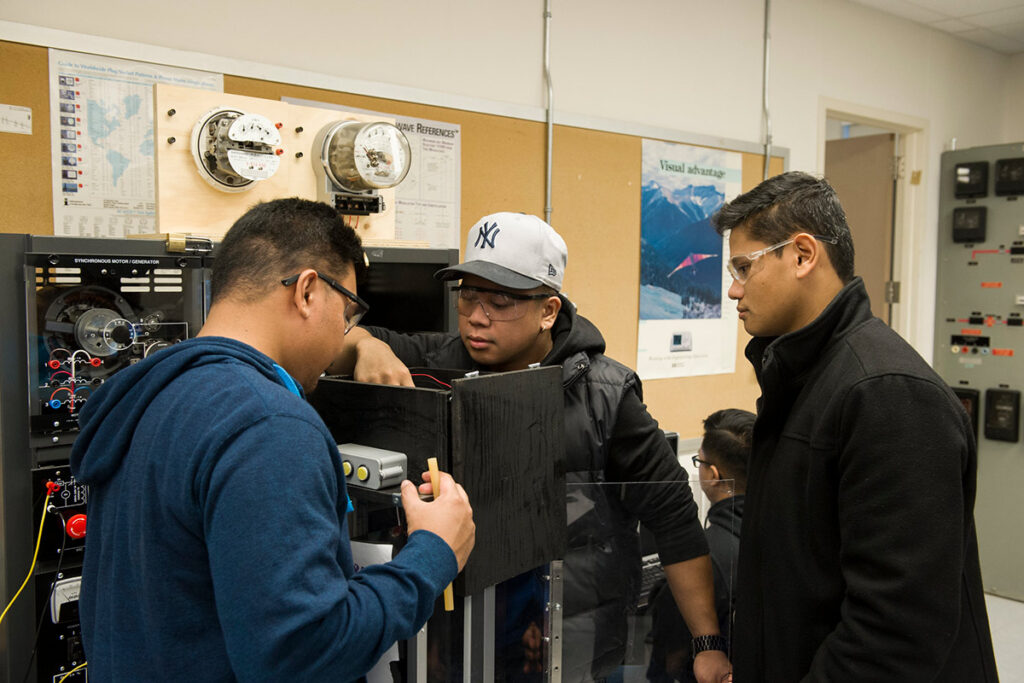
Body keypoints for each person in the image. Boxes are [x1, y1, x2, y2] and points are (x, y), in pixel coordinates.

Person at [69, 198, 476, 682]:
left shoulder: (154, 395)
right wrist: (431, 554)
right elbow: (303, 655)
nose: (341, 336)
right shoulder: (269, 426)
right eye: (346, 312)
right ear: (307, 291)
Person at [333, 212, 731, 683]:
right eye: (469, 296)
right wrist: (364, 344)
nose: (478, 316)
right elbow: (332, 337)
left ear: (549, 310)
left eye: (502, 300)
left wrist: (706, 643)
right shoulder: (433, 363)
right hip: (451, 644)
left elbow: (674, 519)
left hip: (564, 647)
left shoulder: (606, 395)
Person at [712, 171, 998, 681]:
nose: (734, 290)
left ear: (802, 255)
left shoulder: (887, 393)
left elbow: (896, 629)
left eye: (742, 267)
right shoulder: (806, 378)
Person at [647, 409, 753, 683]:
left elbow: (667, 663)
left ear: (713, 475)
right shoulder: (785, 537)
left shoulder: (697, 564)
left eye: (699, 462)